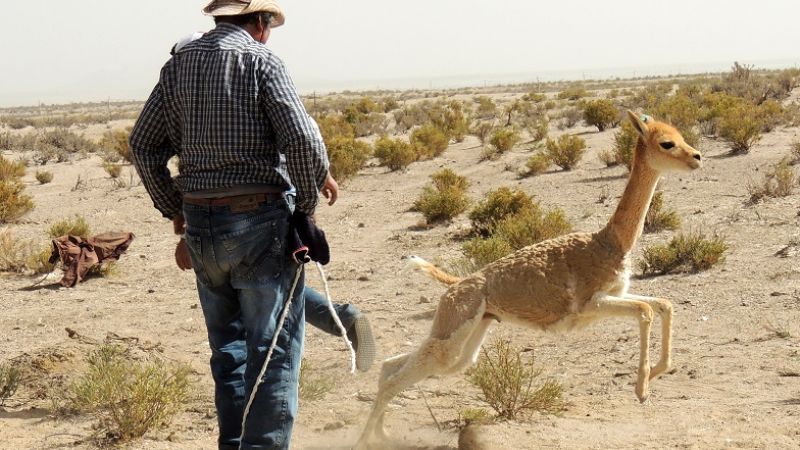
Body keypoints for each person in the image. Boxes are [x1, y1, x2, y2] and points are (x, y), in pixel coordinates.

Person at [130, 1, 363, 448]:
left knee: (229, 351)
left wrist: (175, 210)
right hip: (259, 220)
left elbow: (142, 145)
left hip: (201, 227)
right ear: (260, 23)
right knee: (273, 352)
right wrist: (305, 210)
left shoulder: (176, 68)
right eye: (270, 25)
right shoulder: (261, 61)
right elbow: (302, 138)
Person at [165, 31, 373, 372]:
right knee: (269, 284)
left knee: (266, 289)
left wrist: (188, 233)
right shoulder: (228, 81)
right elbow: (306, 133)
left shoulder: (210, 88)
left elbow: (296, 137)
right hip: (263, 202)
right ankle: (344, 320)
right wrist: (321, 174)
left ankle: (342, 323)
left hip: (263, 204)